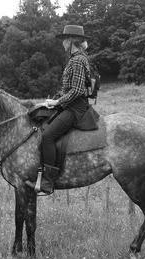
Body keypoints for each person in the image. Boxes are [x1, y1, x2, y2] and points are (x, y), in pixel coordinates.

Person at [26, 25, 99, 194]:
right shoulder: (75, 59)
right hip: (68, 104)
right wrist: (52, 101)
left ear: (72, 41)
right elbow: (68, 89)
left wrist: (58, 102)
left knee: (48, 136)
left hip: (75, 109)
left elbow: (77, 90)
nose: (63, 43)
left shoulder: (79, 60)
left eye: (65, 39)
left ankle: (48, 181)